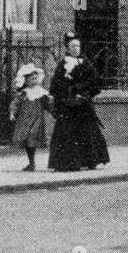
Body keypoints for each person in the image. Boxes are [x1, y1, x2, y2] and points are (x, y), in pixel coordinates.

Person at [47, 33, 110, 172]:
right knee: (67, 132)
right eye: (72, 46)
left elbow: (94, 83)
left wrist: (82, 91)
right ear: (67, 49)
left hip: (83, 105)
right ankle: (67, 163)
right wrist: (67, 91)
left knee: (88, 131)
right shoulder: (62, 65)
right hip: (68, 105)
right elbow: (55, 85)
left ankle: (92, 161)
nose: (76, 49)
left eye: (78, 46)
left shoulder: (86, 64)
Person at [9, 62, 52, 172]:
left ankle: (32, 163)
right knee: (27, 140)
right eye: (32, 79)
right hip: (24, 120)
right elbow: (15, 103)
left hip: (37, 119)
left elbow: (47, 105)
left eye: (36, 78)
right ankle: (31, 162)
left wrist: (53, 109)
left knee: (32, 136)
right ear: (26, 81)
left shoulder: (41, 92)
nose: (35, 81)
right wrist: (12, 113)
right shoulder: (23, 93)